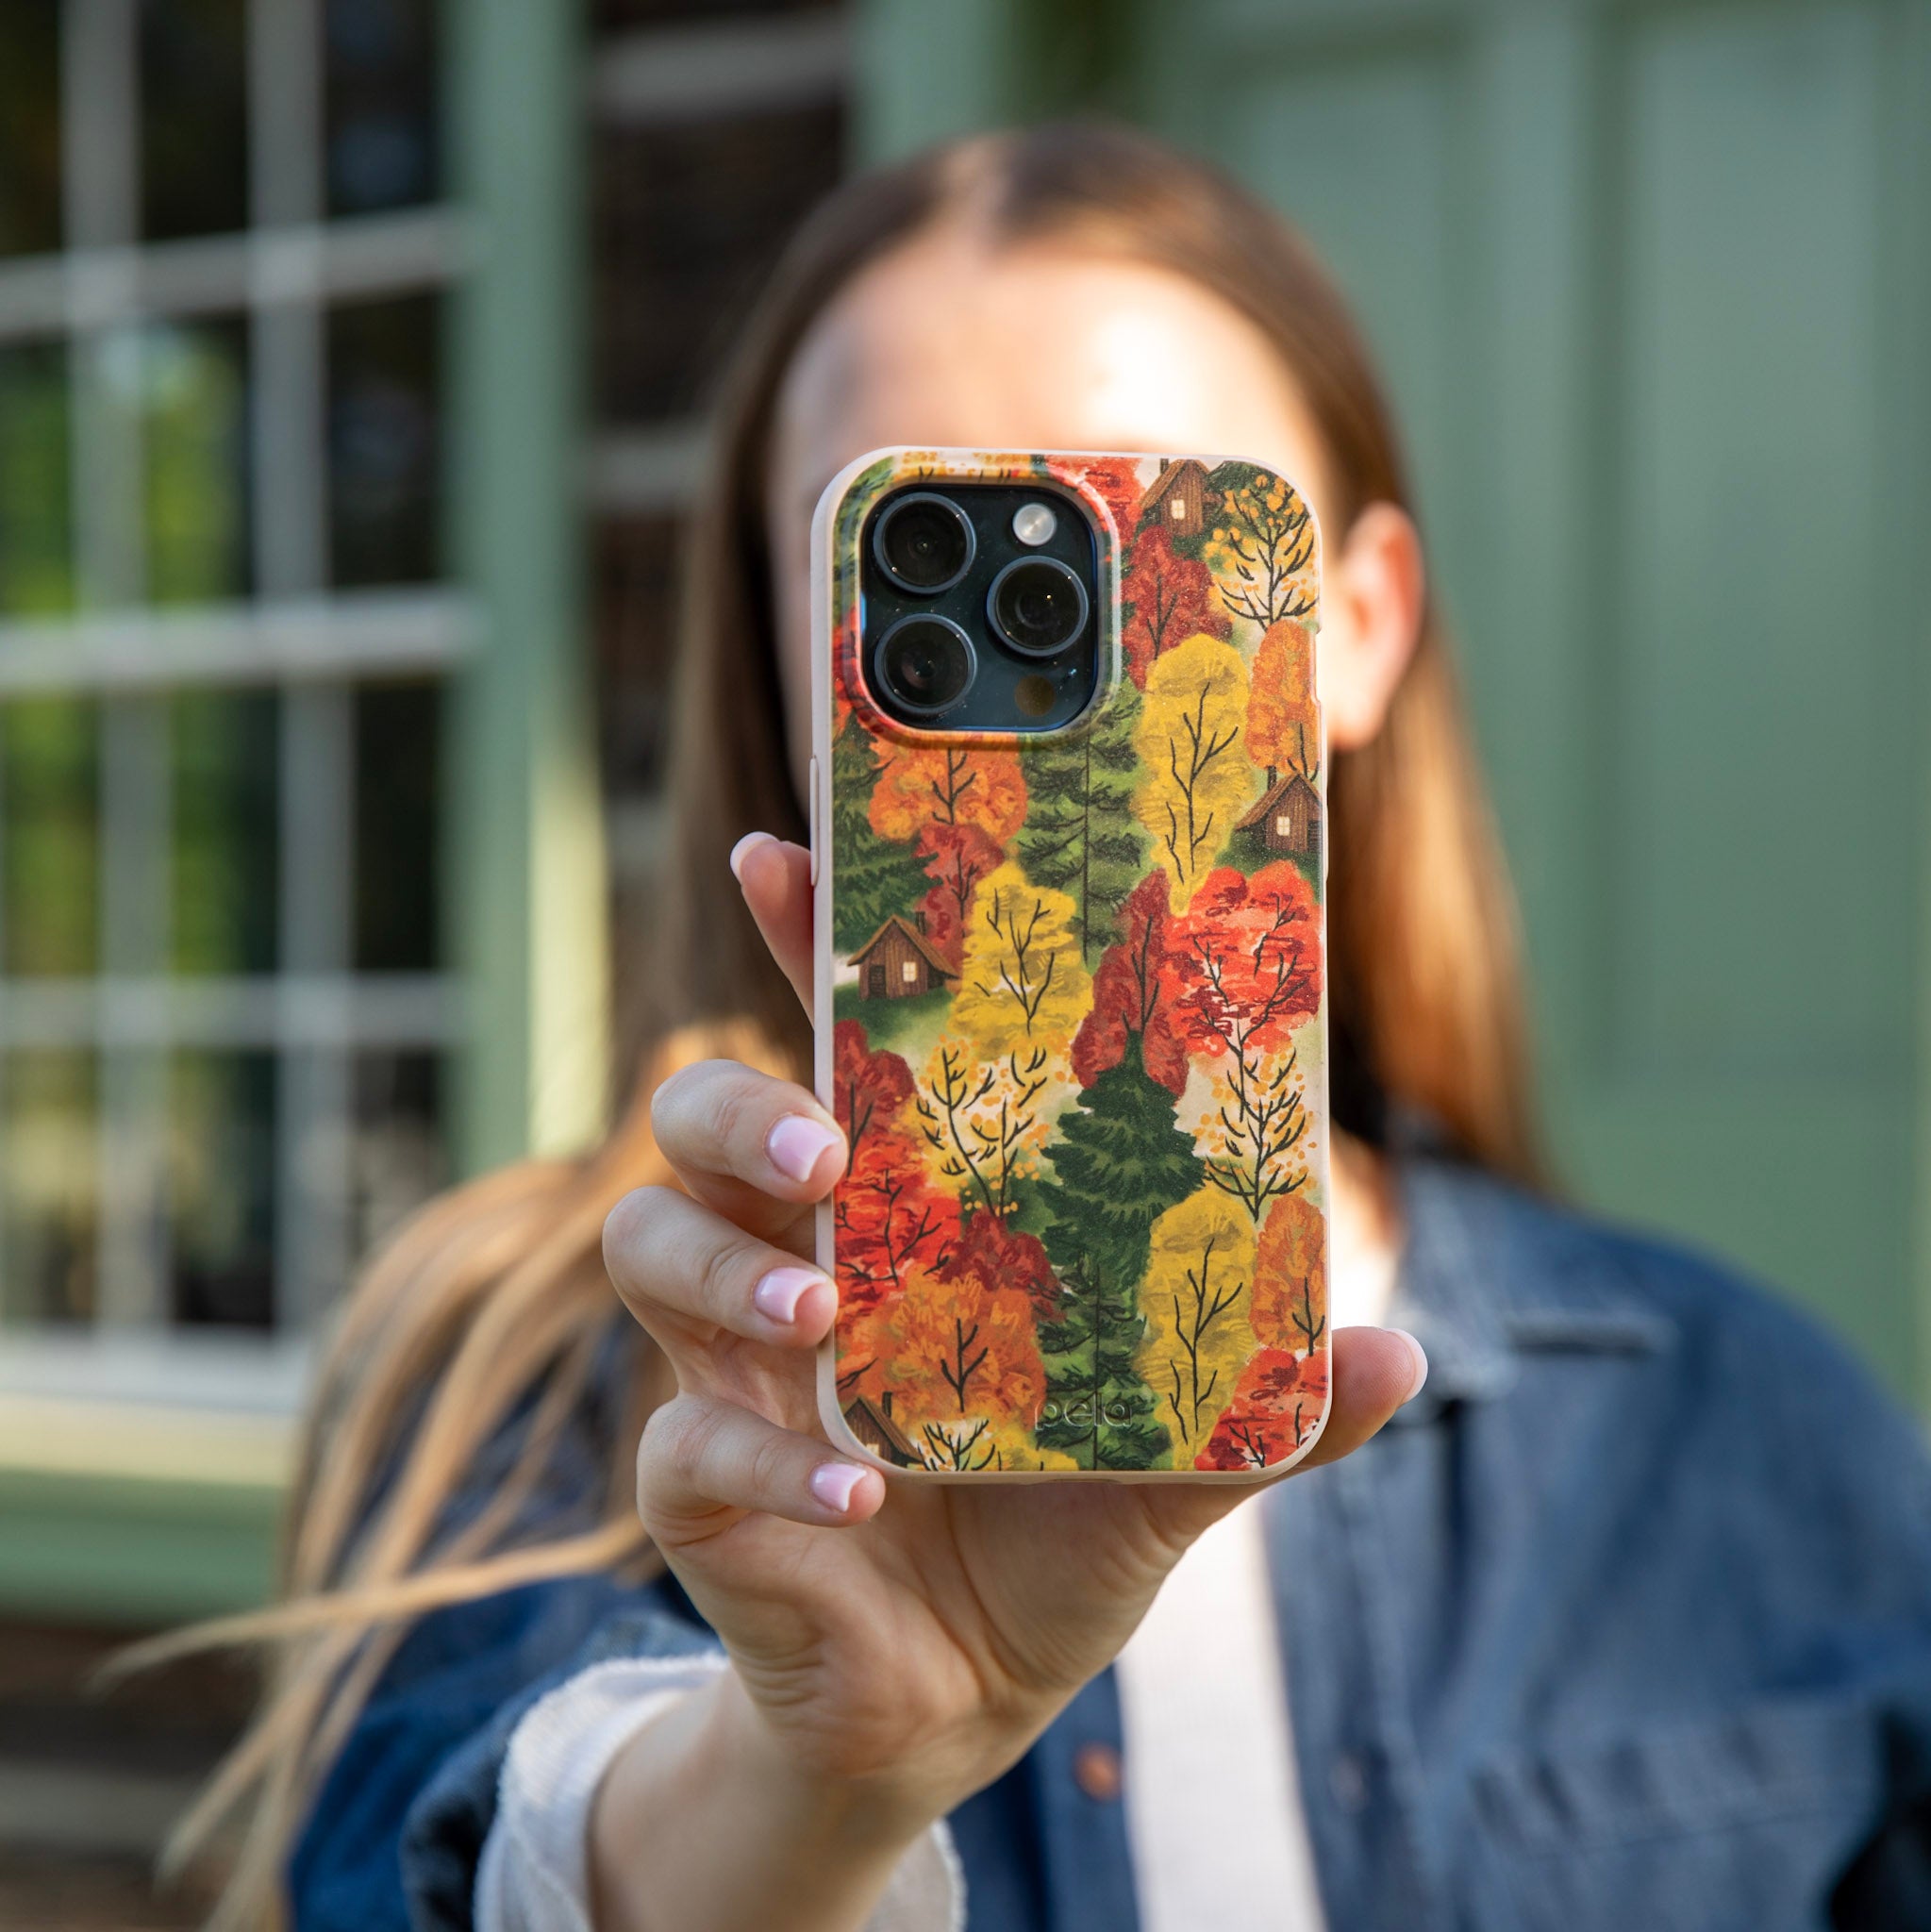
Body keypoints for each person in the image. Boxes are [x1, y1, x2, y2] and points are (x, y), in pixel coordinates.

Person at [177, 124, 1931, 1931]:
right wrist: (803, 1792)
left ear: (1360, 618)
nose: (1053, 633)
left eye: (1149, 512)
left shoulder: (1755, 1432)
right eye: (902, 533)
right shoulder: (521, 1380)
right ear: (785, 640)